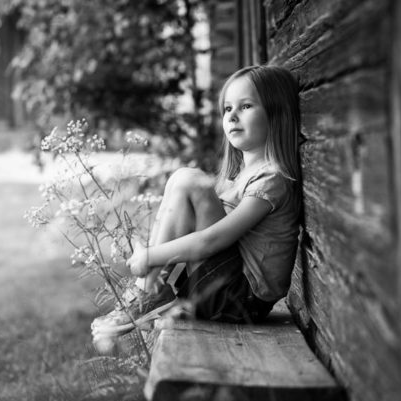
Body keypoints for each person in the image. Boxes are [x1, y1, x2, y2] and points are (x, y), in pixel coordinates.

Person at [92, 65, 302, 338]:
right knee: (185, 181)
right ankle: (148, 289)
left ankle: (147, 290)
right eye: (227, 109)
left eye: (246, 106)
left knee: (188, 179)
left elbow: (211, 241)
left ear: (276, 114)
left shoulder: (271, 181)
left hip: (242, 301)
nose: (233, 116)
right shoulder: (236, 178)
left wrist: (150, 255)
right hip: (226, 290)